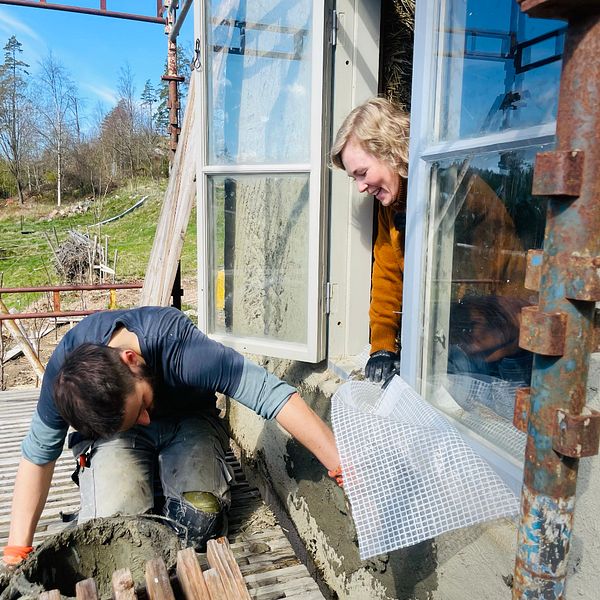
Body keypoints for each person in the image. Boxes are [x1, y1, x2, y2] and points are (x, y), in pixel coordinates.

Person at [2, 306, 341, 567]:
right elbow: (38, 455)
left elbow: (271, 394)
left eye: (143, 406)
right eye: (137, 417)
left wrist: (338, 462)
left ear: (131, 360)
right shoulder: (67, 378)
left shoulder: (182, 350)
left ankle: (165, 493)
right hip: (118, 442)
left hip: (188, 422)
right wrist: (18, 548)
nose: (146, 419)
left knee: (201, 519)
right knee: (114, 532)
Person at [330, 97, 409, 383]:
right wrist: (383, 347)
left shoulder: (450, 191)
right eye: (355, 178)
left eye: (362, 173)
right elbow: (387, 277)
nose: (361, 187)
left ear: (391, 150)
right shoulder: (392, 208)